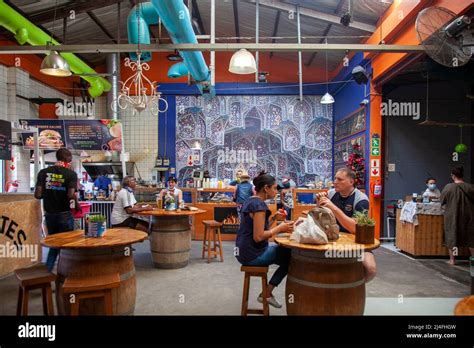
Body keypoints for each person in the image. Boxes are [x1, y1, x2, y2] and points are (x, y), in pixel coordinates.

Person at [235, 171, 294, 308]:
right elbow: (258, 236)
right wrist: (280, 228)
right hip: (252, 254)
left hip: (243, 251)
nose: (276, 191)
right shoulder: (259, 205)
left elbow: (258, 227)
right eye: (274, 188)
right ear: (266, 188)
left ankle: (267, 293)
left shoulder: (251, 200)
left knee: (286, 253)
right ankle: (267, 293)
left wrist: (273, 219)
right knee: (291, 257)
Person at [316, 167, 377, 282]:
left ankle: (353, 289)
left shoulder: (361, 199)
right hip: (331, 238)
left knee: (370, 268)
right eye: (335, 178)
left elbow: (355, 228)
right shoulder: (331, 194)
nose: (335, 182)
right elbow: (319, 216)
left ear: (351, 182)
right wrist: (318, 203)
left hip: (354, 242)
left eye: (340, 179)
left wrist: (333, 207)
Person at [34, 148, 80, 272]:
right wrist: (77, 205)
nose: (71, 159)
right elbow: (70, 195)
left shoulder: (43, 172)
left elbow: (38, 195)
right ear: (66, 158)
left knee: (54, 245)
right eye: (70, 157)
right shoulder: (70, 174)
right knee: (67, 246)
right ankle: (67, 274)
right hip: (64, 214)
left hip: (49, 215)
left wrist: (50, 192)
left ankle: (47, 271)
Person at [440, 167, 474, 265]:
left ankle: (452, 260)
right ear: (462, 175)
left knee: (452, 236)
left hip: (452, 216)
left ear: (453, 176)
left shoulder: (448, 187)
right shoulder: (471, 187)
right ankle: (473, 259)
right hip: (469, 216)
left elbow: (442, 201)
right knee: (471, 237)